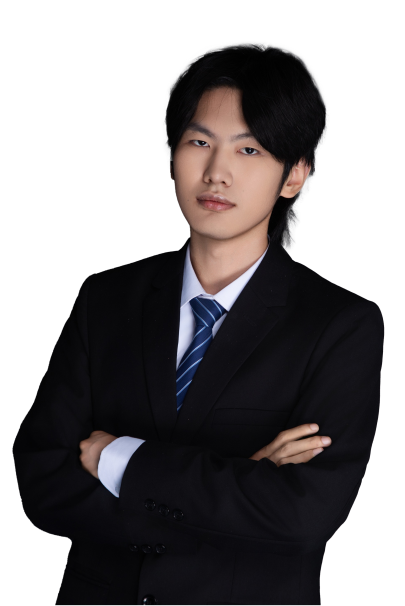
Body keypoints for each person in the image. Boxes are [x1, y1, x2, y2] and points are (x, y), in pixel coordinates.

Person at [12, 41, 385, 606]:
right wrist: (239, 481)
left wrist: (120, 459)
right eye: (199, 142)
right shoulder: (106, 298)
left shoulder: (340, 325)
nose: (217, 172)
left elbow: (301, 517)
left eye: (249, 149)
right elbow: (42, 479)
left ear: (294, 175)